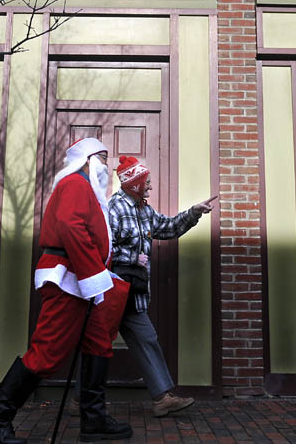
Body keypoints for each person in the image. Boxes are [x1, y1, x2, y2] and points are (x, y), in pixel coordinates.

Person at [0, 138, 133, 444]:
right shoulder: (75, 184)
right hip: (68, 279)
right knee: (48, 352)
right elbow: (71, 226)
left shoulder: (88, 189)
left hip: (81, 279)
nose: (107, 164)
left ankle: (94, 420)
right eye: (102, 157)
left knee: (99, 344)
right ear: (86, 159)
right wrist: (93, 275)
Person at [109, 155, 216, 417]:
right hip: (112, 291)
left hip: (133, 294)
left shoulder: (143, 209)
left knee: (147, 339)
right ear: (134, 183)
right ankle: (80, 401)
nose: (150, 186)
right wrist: (133, 257)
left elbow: (168, 228)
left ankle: (162, 399)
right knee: (95, 344)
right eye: (147, 182)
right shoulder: (114, 208)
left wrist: (193, 213)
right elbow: (104, 248)